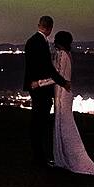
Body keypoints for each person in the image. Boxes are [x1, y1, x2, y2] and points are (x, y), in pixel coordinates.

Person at [49, 31, 94, 176]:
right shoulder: (67, 54)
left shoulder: (60, 54)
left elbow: (57, 76)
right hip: (65, 93)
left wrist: (38, 83)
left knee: (63, 126)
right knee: (65, 125)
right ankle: (65, 159)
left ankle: (66, 159)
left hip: (61, 92)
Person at [24, 15, 70, 168]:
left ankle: (38, 156)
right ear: (50, 28)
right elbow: (47, 67)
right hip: (39, 88)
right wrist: (62, 82)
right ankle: (39, 158)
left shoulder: (32, 41)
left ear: (39, 25)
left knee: (38, 121)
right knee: (39, 122)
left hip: (35, 86)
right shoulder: (41, 43)